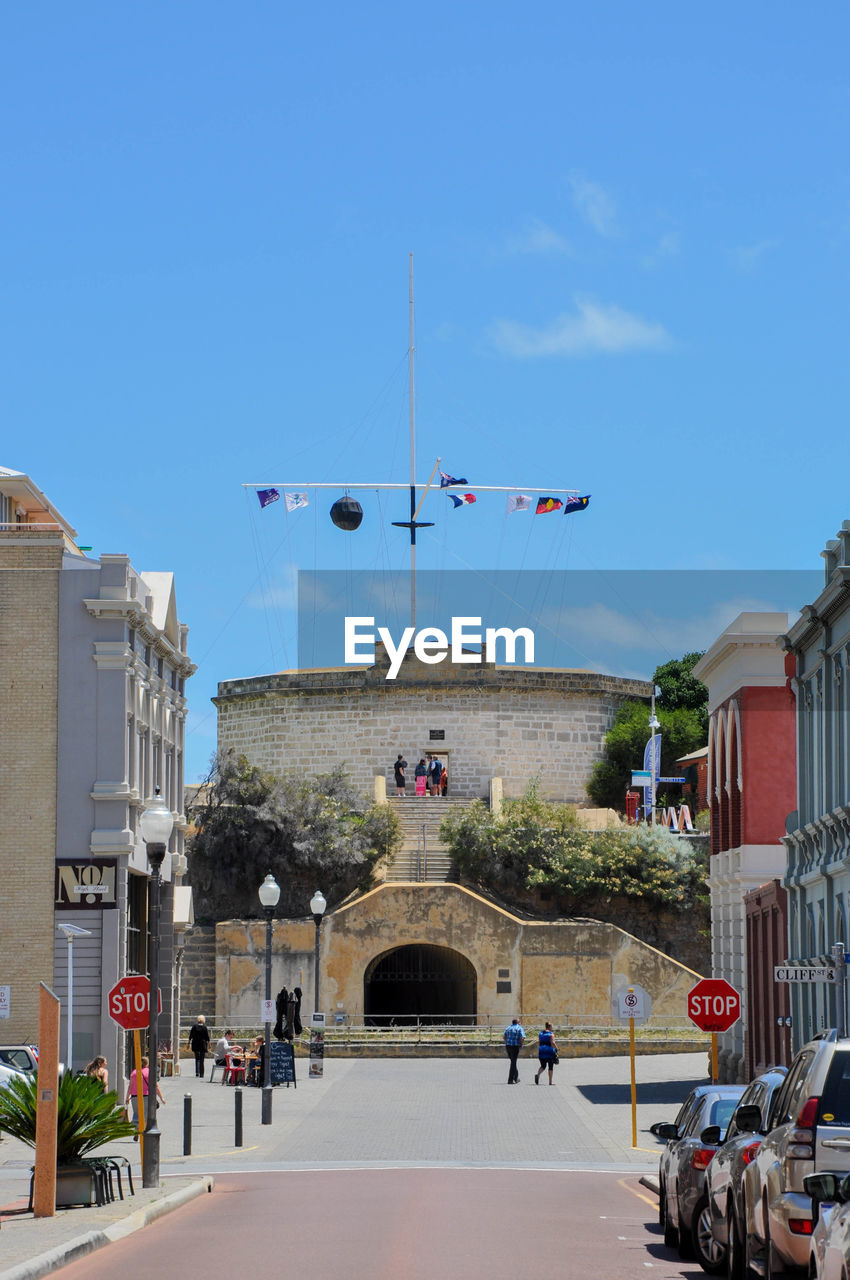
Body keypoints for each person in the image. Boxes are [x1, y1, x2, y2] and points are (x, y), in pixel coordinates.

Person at [125, 1055, 165, 1130]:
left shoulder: (134, 1072)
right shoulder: (149, 1072)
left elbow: (130, 1086)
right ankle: (143, 1130)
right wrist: (161, 1097)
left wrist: (127, 1097)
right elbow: (156, 1086)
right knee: (146, 1115)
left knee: (136, 1113)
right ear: (147, 1063)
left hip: (134, 1096)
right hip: (146, 1096)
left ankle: (137, 1129)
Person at [188, 1014, 211, 1078]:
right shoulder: (204, 1027)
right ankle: (202, 1073)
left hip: (195, 1044)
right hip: (202, 1045)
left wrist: (188, 1044)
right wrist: (209, 1044)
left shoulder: (194, 1027)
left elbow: (190, 1036)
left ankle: (197, 1072)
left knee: (197, 1059)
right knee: (202, 1060)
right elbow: (207, 1037)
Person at [503, 1017, 525, 1084]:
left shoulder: (508, 1028)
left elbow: (504, 1037)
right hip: (515, 1046)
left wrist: (507, 1042)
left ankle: (516, 1078)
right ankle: (510, 1079)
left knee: (513, 1062)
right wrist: (521, 1044)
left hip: (508, 1046)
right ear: (518, 1023)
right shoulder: (519, 1028)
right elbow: (522, 1037)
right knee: (513, 1063)